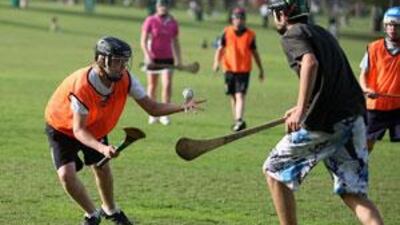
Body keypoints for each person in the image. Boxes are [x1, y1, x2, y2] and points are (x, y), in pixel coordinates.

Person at [44, 36, 202, 225]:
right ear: (102, 61)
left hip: (95, 125)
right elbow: (78, 130)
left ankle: (110, 210)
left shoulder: (125, 79)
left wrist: (182, 107)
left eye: (125, 61)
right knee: (66, 175)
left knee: (101, 167)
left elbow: (152, 108)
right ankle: (92, 214)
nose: (122, 66)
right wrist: (102, 149)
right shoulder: (83, 86)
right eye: (117, 61)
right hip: (62, 125)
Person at [263, 1, 384, 225]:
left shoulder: (292, 34)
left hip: (328, 123)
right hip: (354, 117)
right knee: (353, 193)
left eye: (274, 12)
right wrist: (305, 105)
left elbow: (310, 63)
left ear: (283, 13)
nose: (274, 17)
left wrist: (301, 110)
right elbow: (331, 81)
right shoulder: (322, 33)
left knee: (274, 170)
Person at [212, 7, 265, 132]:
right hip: (229, 68)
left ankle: (239, 120)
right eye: (236, 18)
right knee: (233, 96)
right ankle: (237, 119)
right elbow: (220, 49)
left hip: (243, 69)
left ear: (245, 20)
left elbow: (255, 53)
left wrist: (260, 69)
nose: (239, 21)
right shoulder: (226, 32)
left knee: (240, 95)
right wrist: (216, 62)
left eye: (241, 18)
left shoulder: (250, 34)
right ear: (232, 19)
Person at [359, 6, 400, 153]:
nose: (392, 29)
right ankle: (358, 173)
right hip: (376, 107)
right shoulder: (374, 48)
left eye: (396, 25)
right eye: (389, 25)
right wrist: (366, 89)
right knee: (366, 145)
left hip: (398, 107)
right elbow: (363, 75)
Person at [141, 0, 182, 125]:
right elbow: (143, 41)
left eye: (165, 5)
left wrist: (178, 59)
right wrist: (148, 56)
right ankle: (152, 113)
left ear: (168, 7)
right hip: (153, 58)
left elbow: (175, 42)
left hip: (167, 58)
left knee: (167, 84)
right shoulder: (150, 20)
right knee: (152, 85)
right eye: (160, 5)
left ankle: (165, 114)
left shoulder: (173, 23)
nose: (163, 8)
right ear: (157, 7)